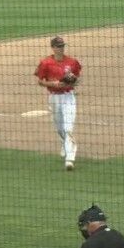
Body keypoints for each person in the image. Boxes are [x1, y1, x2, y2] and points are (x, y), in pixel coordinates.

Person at [34, 36, 82, 171]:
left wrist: (73, 81)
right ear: (53, 47)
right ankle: (64, 144)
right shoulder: (45, 63)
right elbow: (40, 81)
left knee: (68, 128)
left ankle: (70, 159)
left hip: (68, 98)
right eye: (59, 46)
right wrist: (53, 83)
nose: (61, 48)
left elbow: (78, 80)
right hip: (54, 98)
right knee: (59, 128)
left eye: (63, 46)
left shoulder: (72, 62)